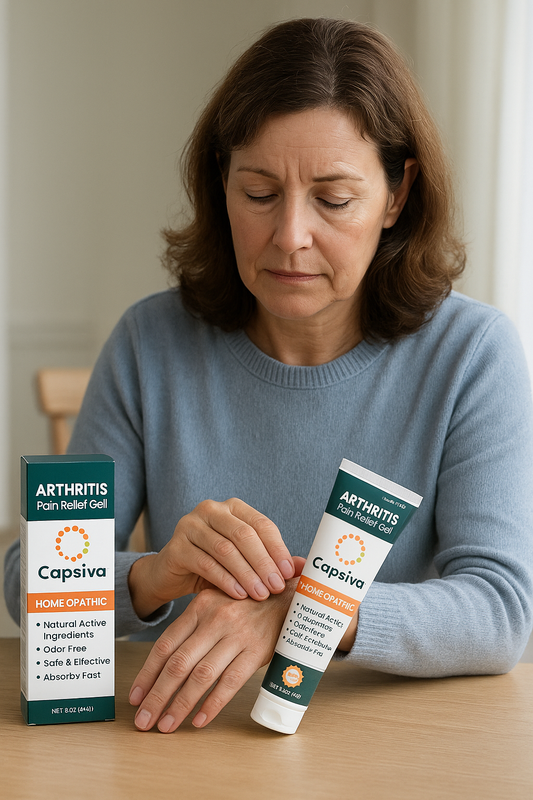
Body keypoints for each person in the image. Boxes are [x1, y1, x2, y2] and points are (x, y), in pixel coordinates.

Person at [5, 18, 533, 735]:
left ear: (397, 193)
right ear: (221, 181)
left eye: (333, 199)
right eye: (257, 193)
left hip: (386, 745)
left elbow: (499, 610)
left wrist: (302, 609)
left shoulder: (472, 354)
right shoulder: (149, 341)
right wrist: (152, 575)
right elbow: (23, 579)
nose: (289, 236)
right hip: (177, 739)